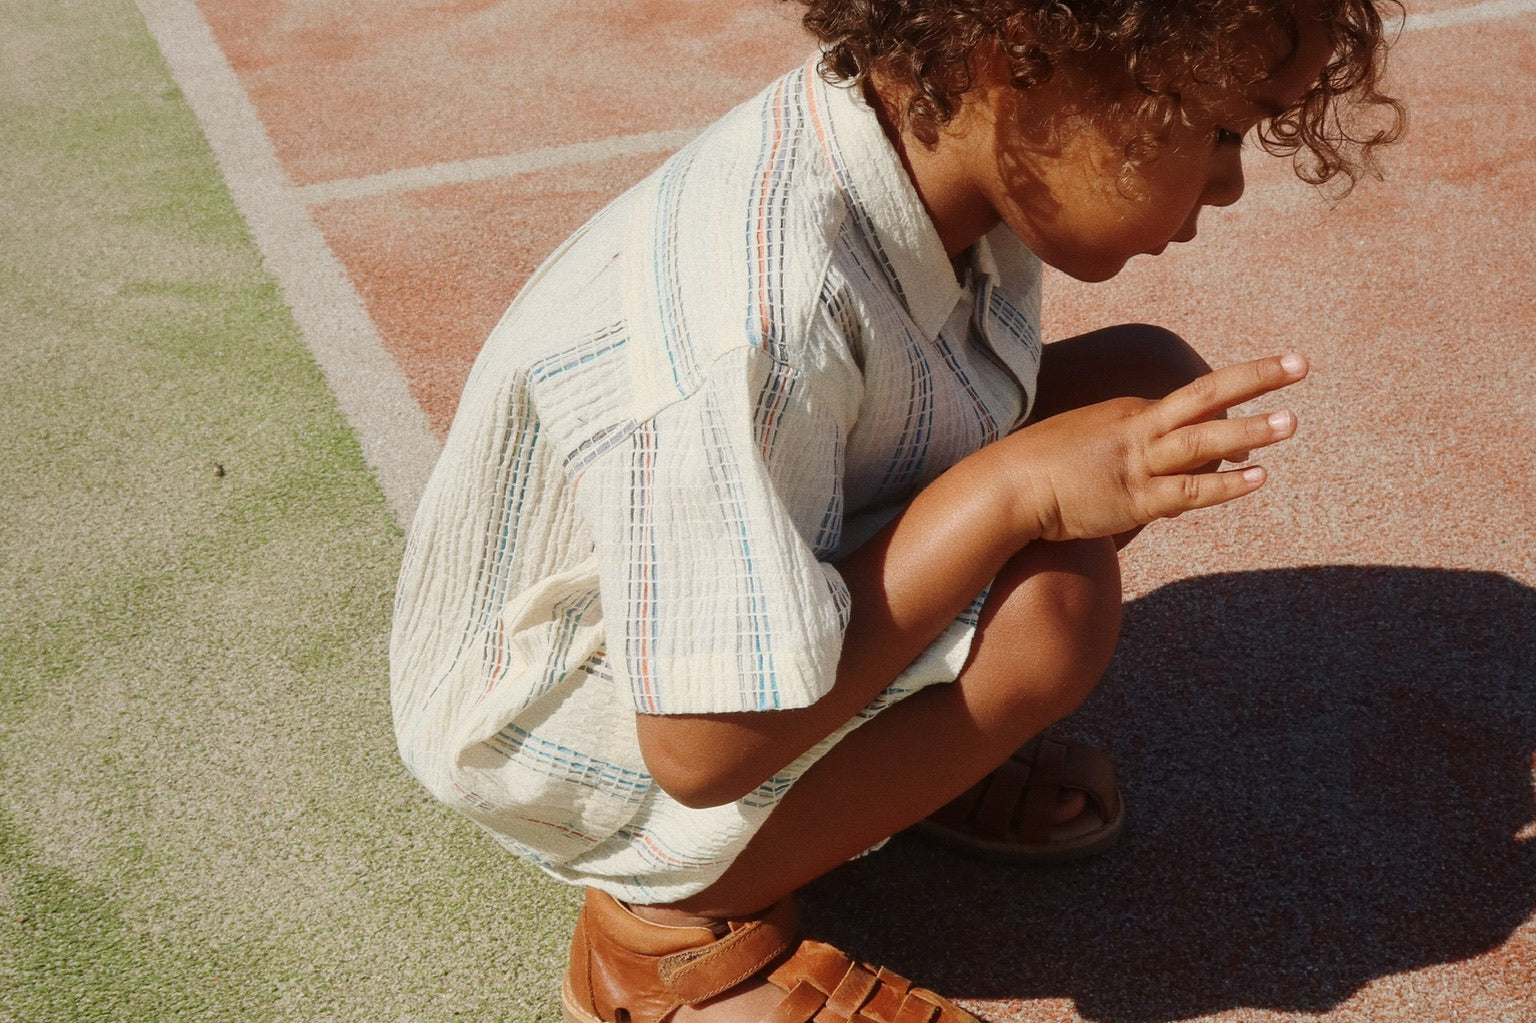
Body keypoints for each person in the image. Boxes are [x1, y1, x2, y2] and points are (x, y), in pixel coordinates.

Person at [390, 0, 1403, 1019]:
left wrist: (1021, 486)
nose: (1229, 185)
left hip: (713, 601)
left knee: (1140, 391)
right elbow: (702, 749)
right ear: (1022, 58)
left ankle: (888, 769)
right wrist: (1012, 492)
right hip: (566, 707)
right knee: (1050, 612)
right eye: (1223, 130)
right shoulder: (763, 308)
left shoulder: (938, 143)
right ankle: (668, 934)